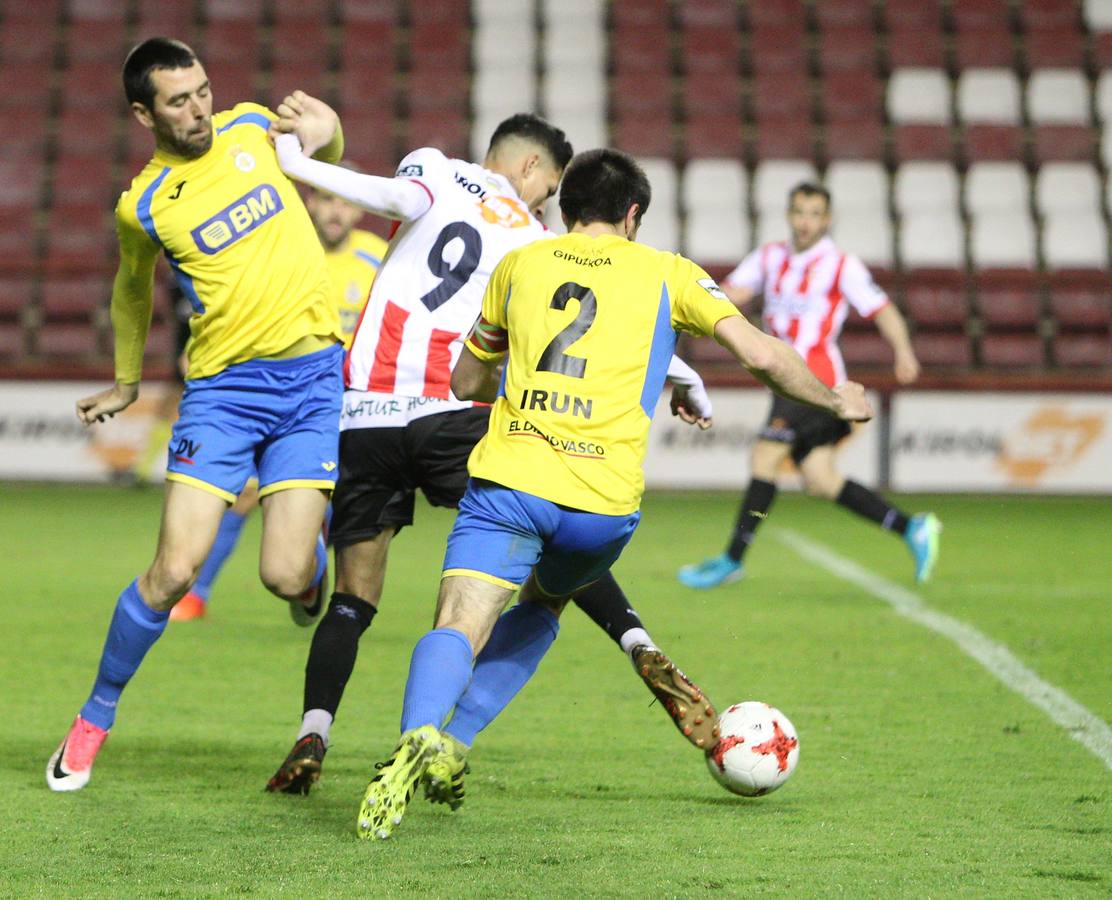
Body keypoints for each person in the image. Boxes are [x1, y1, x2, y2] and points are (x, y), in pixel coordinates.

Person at [356, 149, 872, 840]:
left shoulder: (520, 264)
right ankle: (458, 739)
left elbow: (464, 385)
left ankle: (420, 731)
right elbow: (763, 356)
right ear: (634, 215)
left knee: (459, 621)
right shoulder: (668, 273)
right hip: (602, 503)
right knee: (543, 605)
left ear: (566, 208)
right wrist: (837, 399)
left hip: (512, 480)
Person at [262, 103, 723, 795]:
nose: (550, 205)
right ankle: (636, 641)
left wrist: (299, 166)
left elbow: (393, 198)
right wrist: (685, 378)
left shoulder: (433, 166)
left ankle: (314, 733)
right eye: (549, 189)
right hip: (454, 410)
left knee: (354, 599)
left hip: (369, 412)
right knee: (544, 522)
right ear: (532, 168)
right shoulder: (531, 240)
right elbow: (610, 318)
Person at [45, 37, 346, 792]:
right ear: (143, 114)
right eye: (179, 100)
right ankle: (93, 718)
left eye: (204, 90)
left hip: (312, 383)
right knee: (173, 571)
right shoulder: (142, 204)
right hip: (223, 394)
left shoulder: (249, 128)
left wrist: (331, 127)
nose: (200, 107)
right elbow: (131, 292)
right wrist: (124, 380)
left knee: (283, 576)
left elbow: (323, 152)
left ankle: (310, 577)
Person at [678, 182, 941, 590]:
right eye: (800, 212)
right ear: (789, 214)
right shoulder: (770, 257)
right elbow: (733, 292)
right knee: (821, 479)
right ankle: (912, 527)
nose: (806, 221)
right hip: (783, 382)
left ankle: (732, 558)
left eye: (815, 213)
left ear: (828, 218)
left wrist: (904, 352)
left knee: (765, 460)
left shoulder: (840, 264)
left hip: (816, 381)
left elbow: (882, 308)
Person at [167, 174, 388, 621]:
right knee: (247, 493)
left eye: (344, 203)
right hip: (283, 394)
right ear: (310, 202)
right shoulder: (285, 245)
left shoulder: (377, 258)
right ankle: (197, 594)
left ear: (359, 209)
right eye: (325, 199)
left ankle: (320, 583)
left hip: (352, 399)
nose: (334, 212)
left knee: (341, 502)